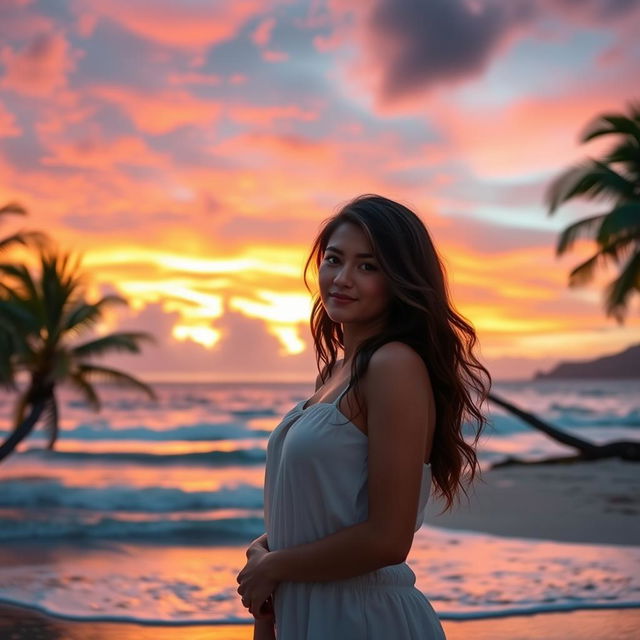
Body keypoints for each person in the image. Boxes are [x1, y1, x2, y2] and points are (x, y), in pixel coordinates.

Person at [236, 194, 491, 639]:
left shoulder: (394, 366)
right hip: (309, 613)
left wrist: (275, 564)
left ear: (400, 280)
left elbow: (388, 540)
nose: (342, 279)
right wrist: (268, 553)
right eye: (334, 259)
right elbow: (319, 507)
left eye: (368, 266)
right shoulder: (334, 374)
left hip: (364, 619)